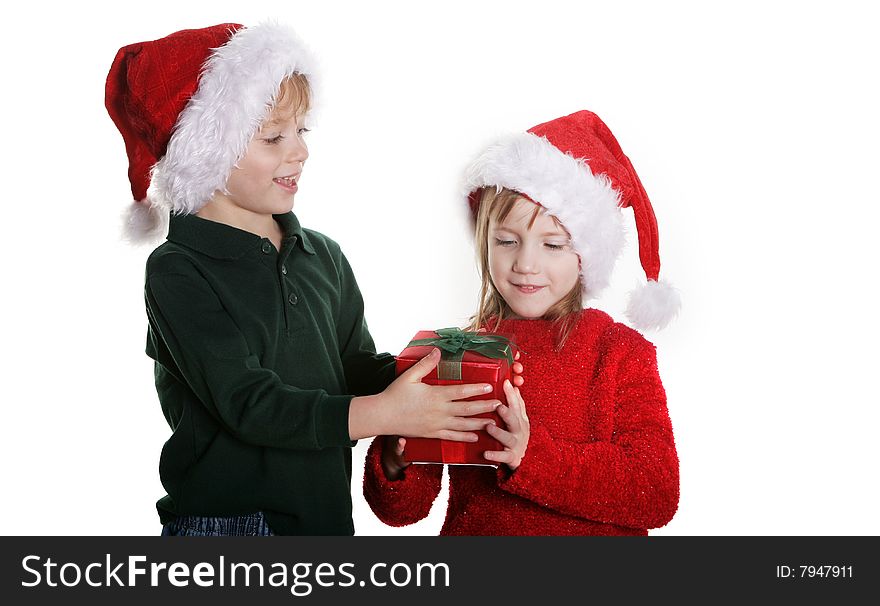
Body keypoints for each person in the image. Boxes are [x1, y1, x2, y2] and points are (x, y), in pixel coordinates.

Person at [105, 22, 509, 536]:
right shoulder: (178, 271)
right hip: (227, 526)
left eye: (301, 131)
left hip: (323, 520)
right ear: (205, 150)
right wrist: (383, 414)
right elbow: (249, 404)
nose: (299, 151)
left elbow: (355, 368)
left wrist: (434, 377)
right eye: (274, 137)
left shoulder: (323, 256)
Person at [364, 110, 681, 535]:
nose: (526, 264)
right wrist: (396, 455)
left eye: (553, 244)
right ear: (485, 241)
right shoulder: (458, 352)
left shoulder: (619, 352)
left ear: (586, 253)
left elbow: (654, 492)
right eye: (507, 241)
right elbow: (403, 510)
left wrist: (531, 455)